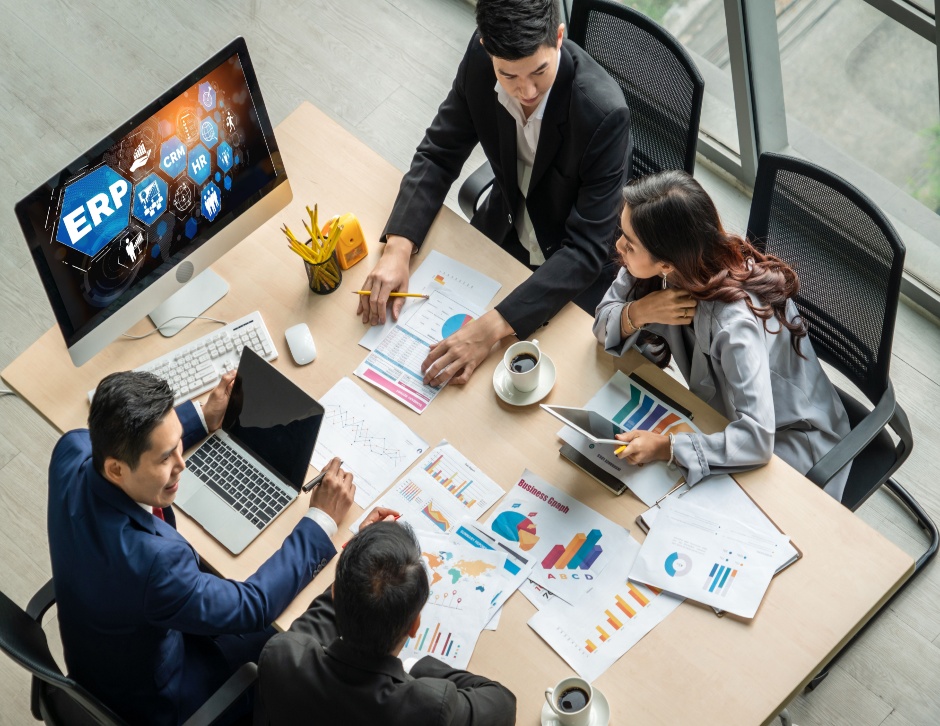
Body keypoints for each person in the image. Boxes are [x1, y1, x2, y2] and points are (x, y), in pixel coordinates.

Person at [47, 370, 364, 725]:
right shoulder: (156, 564)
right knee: (293, 637)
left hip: (100, 653)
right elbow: (254, 605)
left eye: (178, 444)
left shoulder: (71, 450)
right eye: (165, 458)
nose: (182, 464)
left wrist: (201, 417)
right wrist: (320, 521)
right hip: (158, 700)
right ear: (117, 470)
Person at [359, 0, 632, 386]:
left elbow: (586, 249)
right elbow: (439, 153)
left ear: (558, 37)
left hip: (572, 274)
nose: (527, 90)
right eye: (509, 76)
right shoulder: (479, 58)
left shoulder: (604, 114)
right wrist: (398, 247)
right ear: (487, 48)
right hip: (505, 231)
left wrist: (488, 329)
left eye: (540, 71)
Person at [593, 171, 852, 501]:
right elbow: (602, 322)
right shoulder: (668, 264)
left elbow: (757, 438)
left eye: (629, 245)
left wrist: (667, 447)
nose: (619, 246)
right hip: (722, 417)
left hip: (791, 443)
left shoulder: (734, 325)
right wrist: (639, 312)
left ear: (666, 264)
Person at [255, 521, 517, 725]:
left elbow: (318, 621)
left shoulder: (283, 656)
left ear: (335, 595)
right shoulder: (428, 709)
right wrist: (416, 666)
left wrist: (359, 562)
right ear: (415, 626)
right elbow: (503, 704)